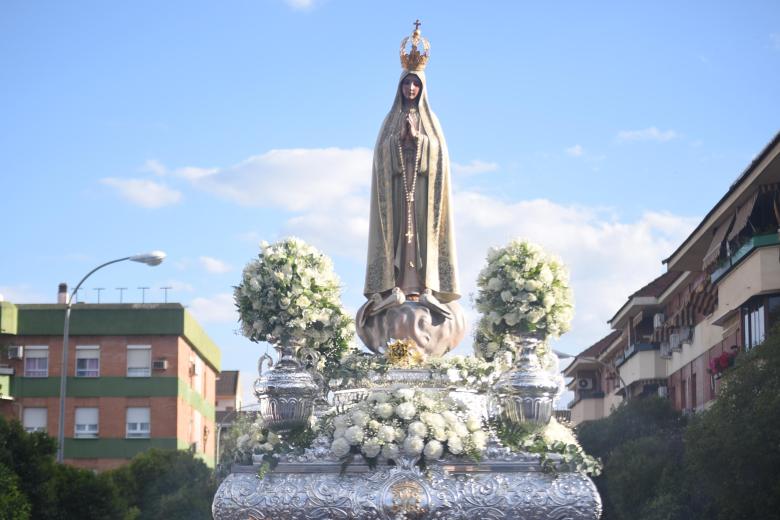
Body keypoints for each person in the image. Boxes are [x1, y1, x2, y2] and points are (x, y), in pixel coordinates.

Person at [363, 68, 460, 318]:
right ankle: (396, 285)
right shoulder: (391, 119)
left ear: (422, 88)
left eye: (415, 84)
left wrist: (419, 140)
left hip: (422, 193)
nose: (411, 88)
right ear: (400, 87)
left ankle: (423, 286)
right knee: (399, 236)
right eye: (407, 83)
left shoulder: (430, 119)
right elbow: (380, 156)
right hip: (397, 190)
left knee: (420, 236)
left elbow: (440, 157)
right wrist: (398, 143)